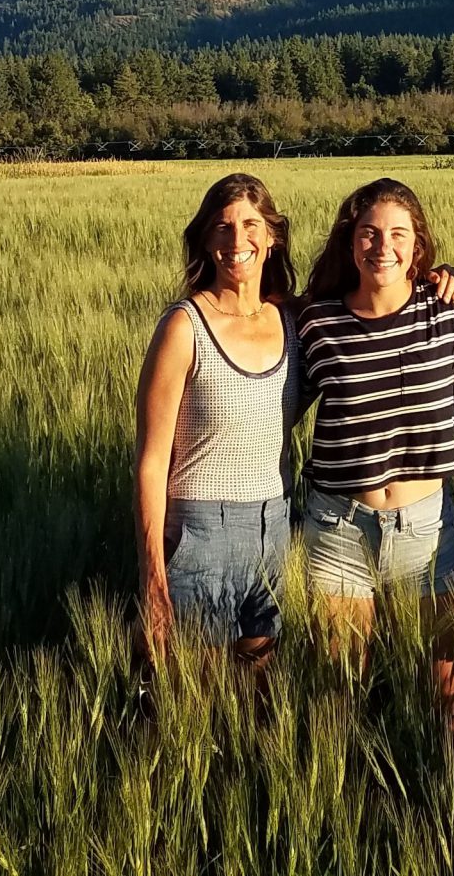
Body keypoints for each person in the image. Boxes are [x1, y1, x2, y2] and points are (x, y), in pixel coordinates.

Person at [295, 178, 454, 729]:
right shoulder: (316, 321)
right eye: (370, 233)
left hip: (427, 531)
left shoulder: (451, 309)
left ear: (418, 246)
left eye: (399, 234)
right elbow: (276, 403)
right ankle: (346, 800)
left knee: (449, 690)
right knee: (340, 690)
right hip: (338, 529)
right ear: (350, 242)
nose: (383, 246)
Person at [132, 173, 302, 668]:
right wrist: (153, 579)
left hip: (275, 527)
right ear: (206, 240)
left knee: (258, 694)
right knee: (196, 700)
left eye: (251, 225)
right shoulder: (184, 327)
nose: (237, 240)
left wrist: (441, 278)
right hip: (201, 534)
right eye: (222, 228)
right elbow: (150, 462)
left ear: (272, 237)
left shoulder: (291, 319)